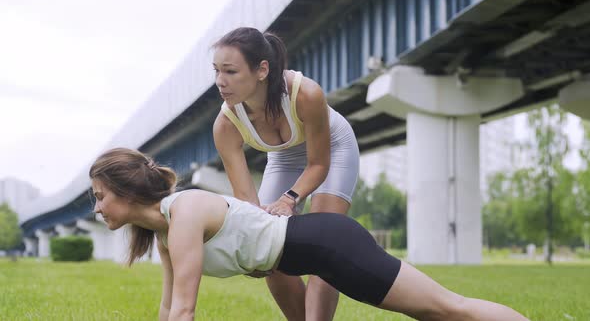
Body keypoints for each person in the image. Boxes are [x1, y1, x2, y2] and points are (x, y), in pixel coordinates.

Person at [89, 148, 529, 321]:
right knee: (438, 313)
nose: (96, 208)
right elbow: (168, 308)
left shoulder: (183, 212)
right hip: (312, 250)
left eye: (100, 196)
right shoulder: (167, 233)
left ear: (126, 191)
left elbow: (185, 311)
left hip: (327, 244)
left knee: (447, 309)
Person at [211, 26, 360, 320]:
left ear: (262, 70)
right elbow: (247, 200)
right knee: (268, 250)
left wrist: (289, 199)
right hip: (282, 158)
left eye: (230, 71)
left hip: (333, 149)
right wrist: (253, 244)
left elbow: (318, 164)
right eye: (216, 71)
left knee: (324, 245)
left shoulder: (306, 94)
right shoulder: (225, 125)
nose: (219, 81)